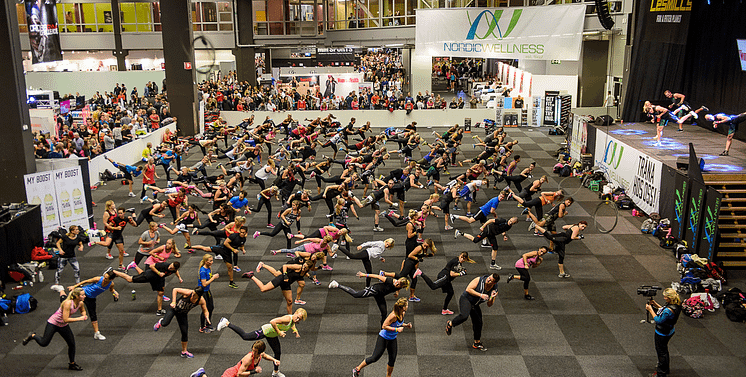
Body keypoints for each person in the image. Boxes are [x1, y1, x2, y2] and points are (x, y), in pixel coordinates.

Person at [215, 309, 308, 377]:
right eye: (297, 317)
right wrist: (279, 332)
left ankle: (275, 372)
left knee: (277, 352)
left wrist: (295, 330)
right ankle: (227, 323)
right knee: (245, 336)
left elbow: (293, 323)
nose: (297, 320)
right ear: (295, 313)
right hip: (266, 331)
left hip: (271, 335)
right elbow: (272, 321)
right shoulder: (288, 318)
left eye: (299, 319)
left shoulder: (292, 320)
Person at [22, 287, 88, 371]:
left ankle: (72, 364)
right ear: (77, 296)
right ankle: (33, 335)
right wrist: (80, 318)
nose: (84, 296)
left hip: (63, 325)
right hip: (53, 323)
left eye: (84, 295)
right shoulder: (68, 304)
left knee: (71, 344)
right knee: (43, 343)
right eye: (82, 295)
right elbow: (66, 319)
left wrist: (84, 315)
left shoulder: (80, 303)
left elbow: (82, 310)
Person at [352, 298, 412, 377]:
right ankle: (357, 369)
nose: (408, 306)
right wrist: (397, 329)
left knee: (392, 359)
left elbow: (398, 323)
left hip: (392, 339)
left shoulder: (402, 313)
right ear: (402, 307)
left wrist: (406, 325)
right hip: (384, 338)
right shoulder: (393, 315)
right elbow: (384, 326)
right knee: (375, 357)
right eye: (406, 305)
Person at [65, 268, 127, 341]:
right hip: (83, 293)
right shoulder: (99, 279)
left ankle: (97, 333)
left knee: (93, 315)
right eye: (104, 277)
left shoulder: (111, 284)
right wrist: (74, 286)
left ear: (111, 279)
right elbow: (86, 281)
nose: (104, 279)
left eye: (106, 278)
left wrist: (114, 292)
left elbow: (111, 290)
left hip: (91, 298)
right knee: (68, 304)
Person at [329, 272, 410, 324]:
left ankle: (383, 329)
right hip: (374, 290)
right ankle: (337, 284)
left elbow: (398, 288)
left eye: (399, 284)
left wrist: (396, 293)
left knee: (384, 313)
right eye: (397, 282)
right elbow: (377, 276)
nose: (396, 284)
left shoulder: (399, 286)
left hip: (380, 295)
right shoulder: (390, 281)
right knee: (356, 294)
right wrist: (364, 275)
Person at [153, 286, 212, 358]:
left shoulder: (201, 300)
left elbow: (205, 310)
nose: (192, 295)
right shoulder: (188, 293)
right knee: (165, 323)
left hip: (182, 314)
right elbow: (175, 289)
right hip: (174, 308)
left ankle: (184, 351)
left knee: (184, 332)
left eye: (194, 294)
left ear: (199, 295)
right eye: (193, 293)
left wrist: (207, 318)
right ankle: (161, 321)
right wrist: (174, 302)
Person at [445, 273, 499, 351]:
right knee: (464, 316)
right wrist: (481, 295)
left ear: (494, 283)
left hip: (475, 304)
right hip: (466, 299)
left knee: (478, 322)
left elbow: (489, 305)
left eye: (491, 280)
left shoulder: (494, 289)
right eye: (489, 278)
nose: (488, 280)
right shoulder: (479, 280)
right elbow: (468, 289)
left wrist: (491, 298)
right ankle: (450, 324)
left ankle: (476, 343)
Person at [189, 340, 280, 377]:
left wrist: (274, 360)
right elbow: (239, 374)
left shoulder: (260, 354)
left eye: (255, 351)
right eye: (253, 350)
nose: (253, 353)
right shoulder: (248, 359)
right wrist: (254, 371)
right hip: (232, 374)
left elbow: (265, 356)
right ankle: (202, 374)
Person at [645, 288, 682, 377]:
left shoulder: (668, 311)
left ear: (669, 298)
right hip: (670, 330)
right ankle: (665, 369)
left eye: (665, 297)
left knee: (661, 352)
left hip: (662, 333)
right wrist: (656, 304)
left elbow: (658, 320)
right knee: (664, 351)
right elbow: (664, 310)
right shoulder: (676, 304)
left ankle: (661, 373)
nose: (664, 298)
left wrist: (650, 310)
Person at [198, 254, 219, 333]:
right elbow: (204, 284)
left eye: (212, 260)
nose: (212, 262)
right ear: (205, 261)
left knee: (211, 307)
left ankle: (208, 323)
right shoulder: (202, 271)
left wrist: (212, 276)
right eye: (210, 261)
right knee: (205, 309)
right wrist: (213, 278)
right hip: (202, 291)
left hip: (207, 291)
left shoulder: (209, 268)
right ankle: (202, 327)